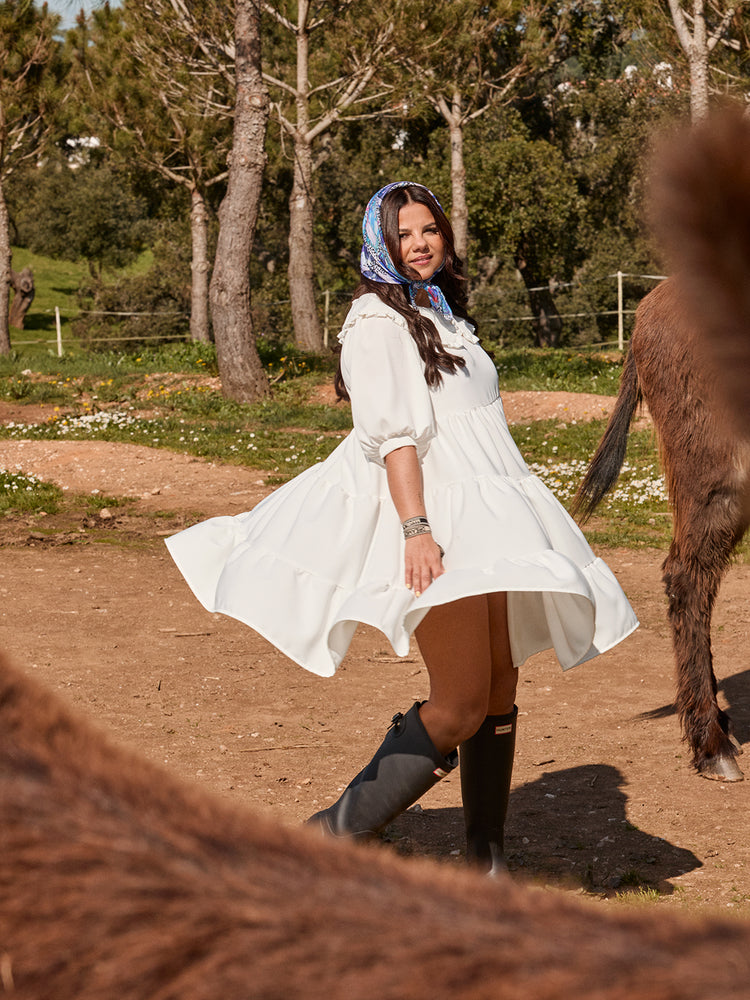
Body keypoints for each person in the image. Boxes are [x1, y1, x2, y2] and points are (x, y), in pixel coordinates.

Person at [166, 181, 638, 875]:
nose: (419, 244)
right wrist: (417, 528)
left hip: (492, 512)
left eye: (428, 230)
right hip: (436, 512)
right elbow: (396, 440)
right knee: (458, 704)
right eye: (404, 235)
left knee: (500, 688)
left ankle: (486, 861)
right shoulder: (376, 321)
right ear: (378, 247)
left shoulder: (438, 309)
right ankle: (321, 841)